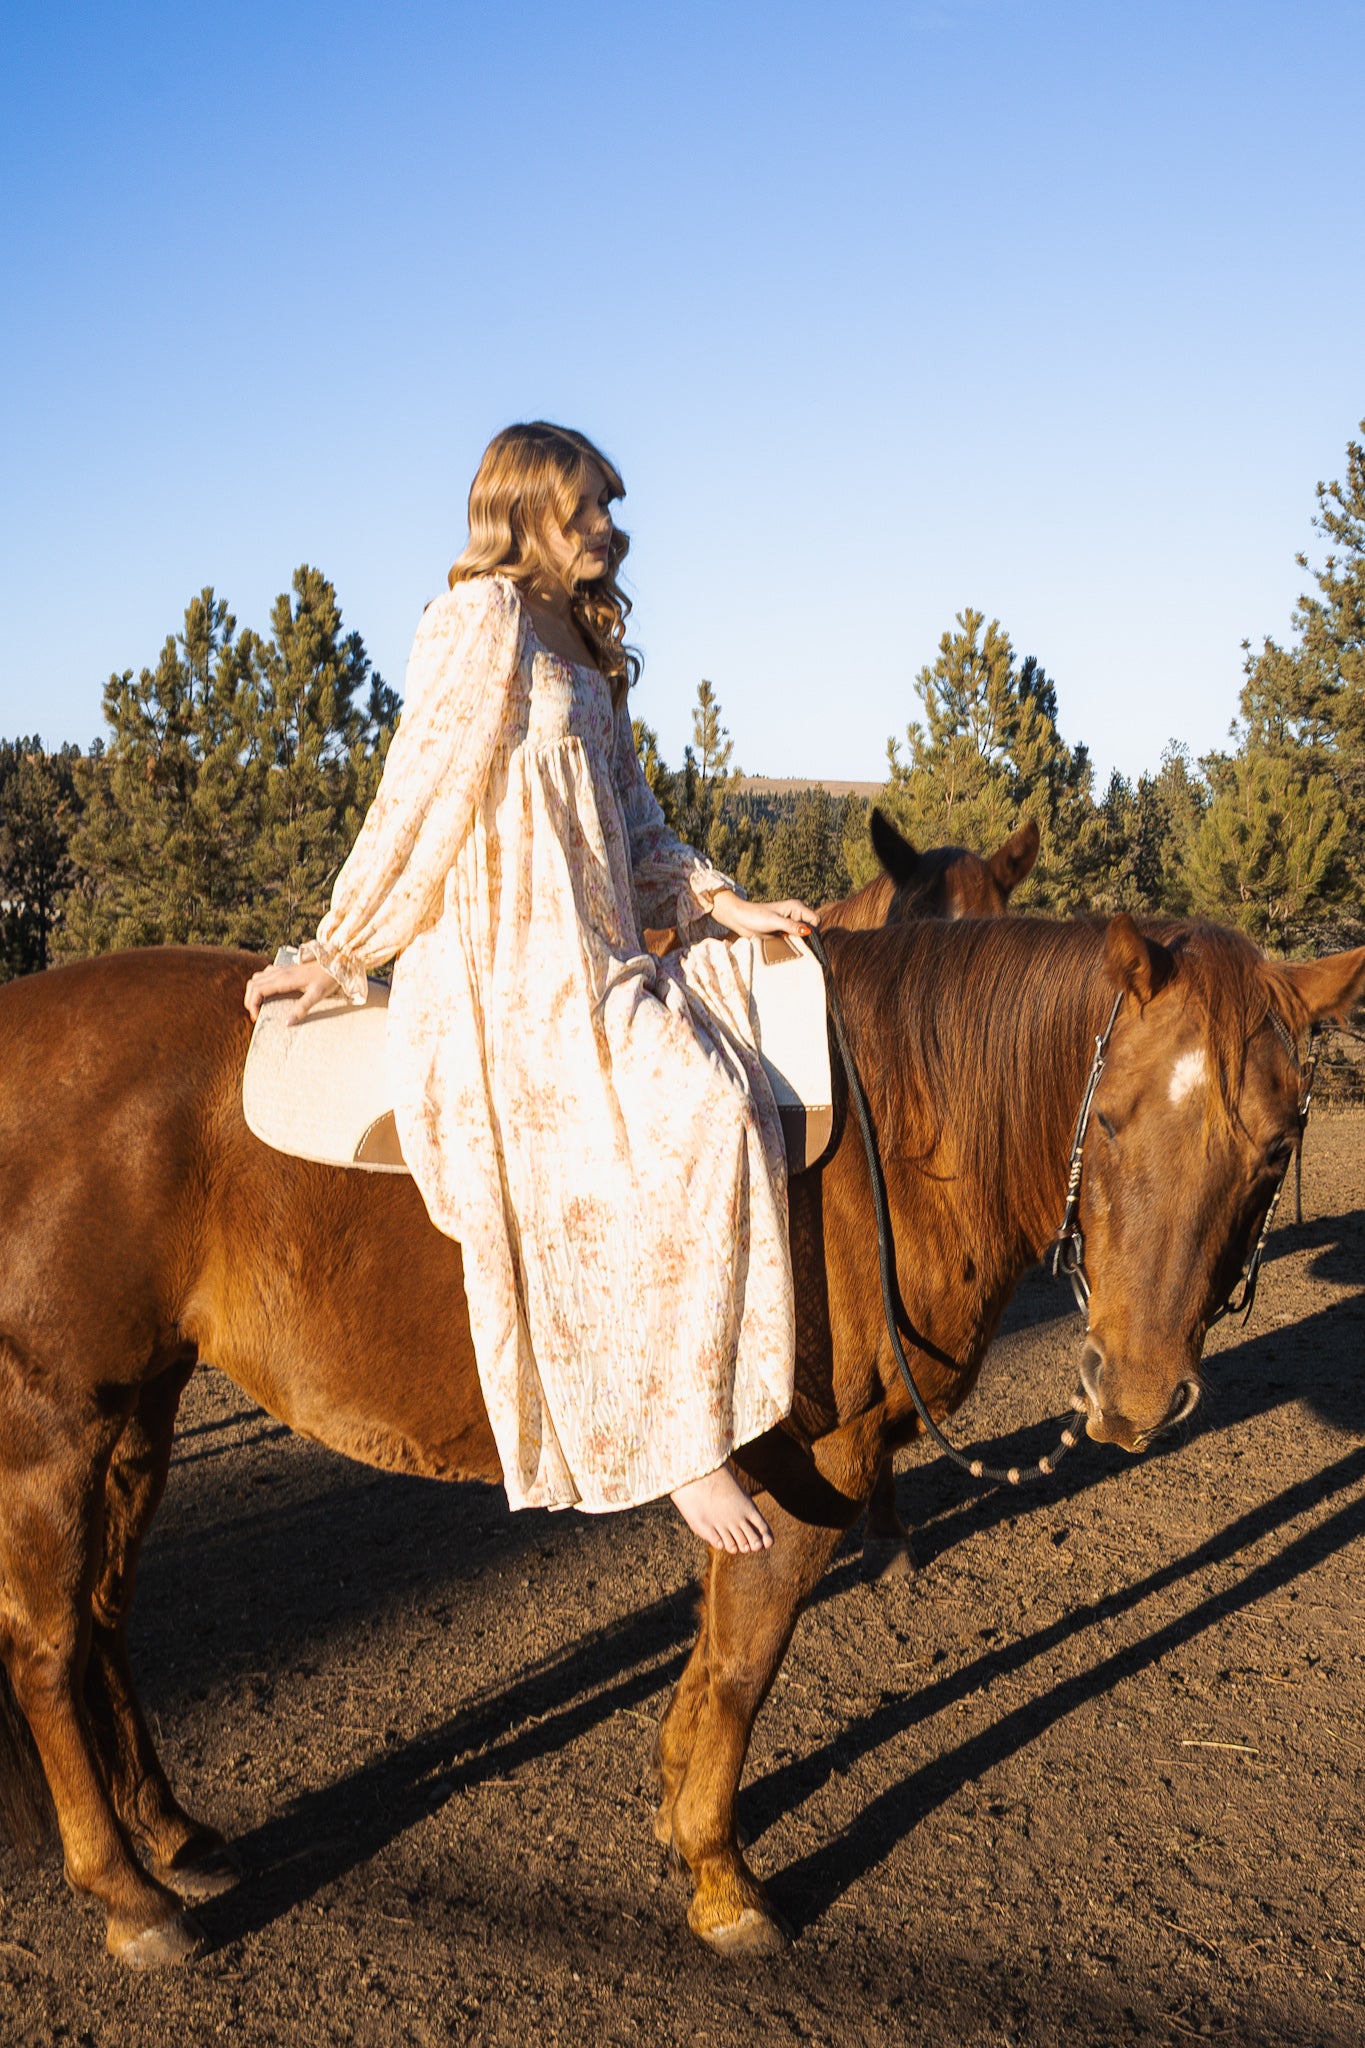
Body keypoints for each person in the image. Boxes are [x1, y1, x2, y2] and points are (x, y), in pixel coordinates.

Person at [245, 421, 819, 1554]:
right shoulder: (483, 619)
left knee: (726, 1093)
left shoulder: (587, 639)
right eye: (587, 507)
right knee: (700, 1114)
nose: (610, 525)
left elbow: (632, 817)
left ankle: (708, 1404)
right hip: (510, 968)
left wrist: (719, 899)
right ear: (522, 512)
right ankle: (683, 1443)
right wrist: (344, 944)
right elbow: (417, 793)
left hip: (598, 948)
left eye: (610, 504)